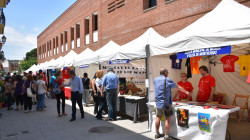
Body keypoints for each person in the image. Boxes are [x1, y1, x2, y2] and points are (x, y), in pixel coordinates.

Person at [154, 68, 190, 140]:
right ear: (165, 73)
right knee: (167, 119)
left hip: (158, 102)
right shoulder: (167, 80)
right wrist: (186, 92)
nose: (168, 74)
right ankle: (166, 136)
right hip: (166, 103)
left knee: (158, 117)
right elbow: (178, 87)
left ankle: (157, 134)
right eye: (167, 73)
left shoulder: (155, 80)